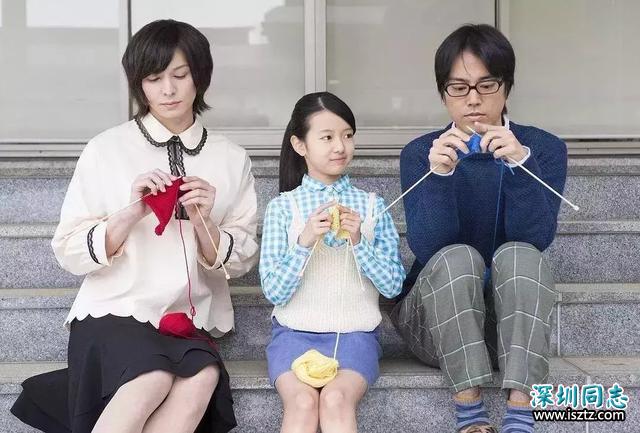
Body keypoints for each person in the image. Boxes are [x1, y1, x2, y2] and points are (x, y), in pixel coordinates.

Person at [11, 19, 258, 433]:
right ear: (138, 84)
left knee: (202, 379)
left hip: (185, 319)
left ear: (200, 76)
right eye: (154, 79)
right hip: (115, 309)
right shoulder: (106, 149)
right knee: (150, 378)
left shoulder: (231, 159)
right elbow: (68, 248)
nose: (168, 90)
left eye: (180, 75)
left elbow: (242, 258)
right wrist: (132, 211)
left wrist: (204, 221)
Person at [392, 24, 567, 433]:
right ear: (443, 94)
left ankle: (520, 413)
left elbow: (536, 237)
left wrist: (521, 166)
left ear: (506, 87)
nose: (473, 99)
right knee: (457, 257)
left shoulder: (543, 149)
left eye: (486, 85)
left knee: (520, 254)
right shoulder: (421, 153)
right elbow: (429, 246)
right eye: (458, 88)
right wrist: (438, 176)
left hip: (512, 327)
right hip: (436, 324)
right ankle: (470, 414)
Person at [260, 92, 405, 433]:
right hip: (293, 334)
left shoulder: (372, 206)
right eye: (326, 137)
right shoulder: (283, 207)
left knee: (336, 399)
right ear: (300, 145)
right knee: (302, 402)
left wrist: (359, 242)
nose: (340, 146)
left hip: (355, 335)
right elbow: (274, 291)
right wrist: (305, 240)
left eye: (347, 135)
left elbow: (393, 285)